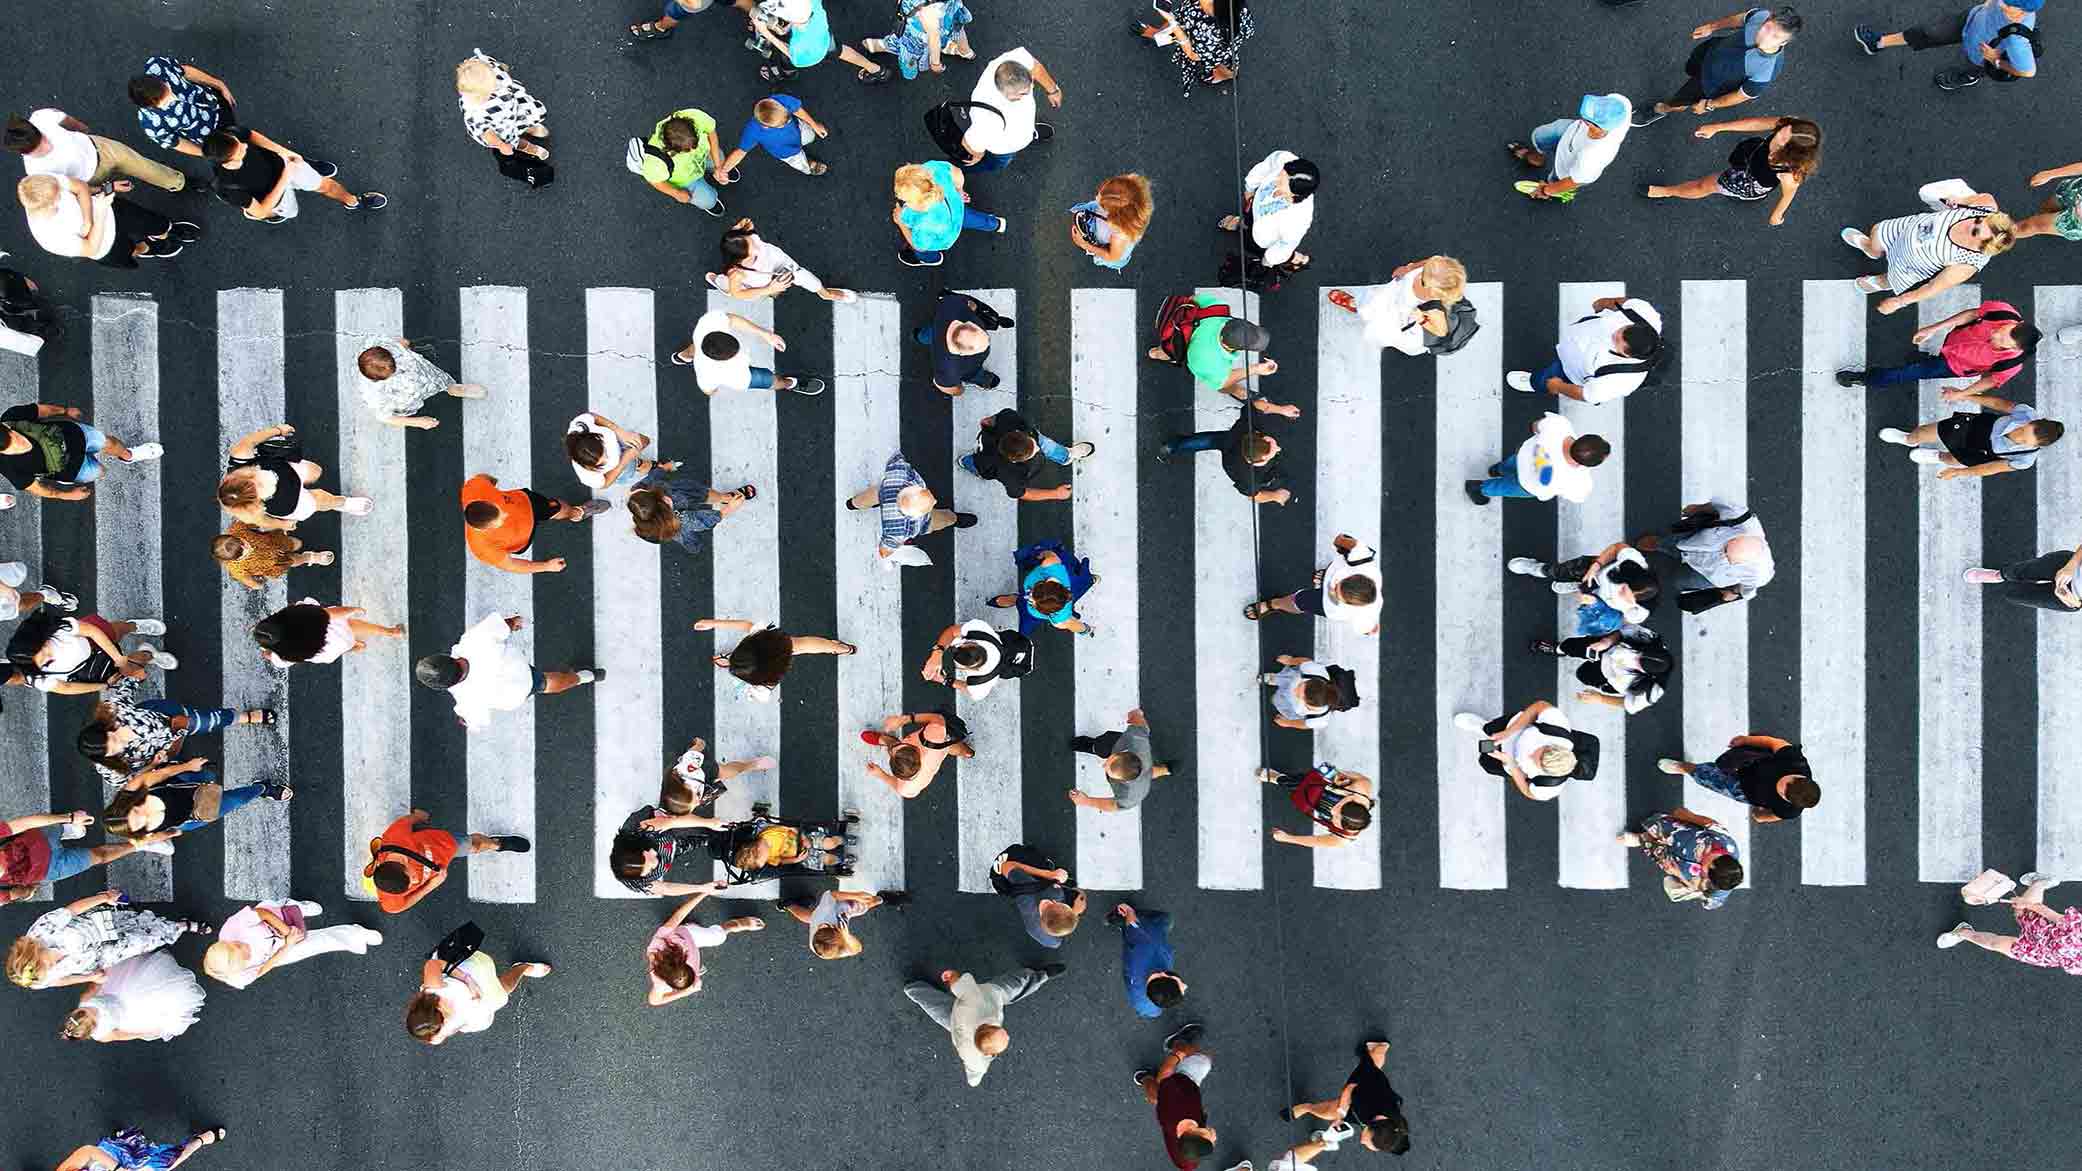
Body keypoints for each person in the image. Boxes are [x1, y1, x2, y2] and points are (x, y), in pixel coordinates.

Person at [415, 613, 601, 729]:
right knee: (544, 679)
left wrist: (465, 721)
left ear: (446, 685)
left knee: (544, 684)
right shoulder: (471, 641)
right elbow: (503, 625)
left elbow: (476, 721)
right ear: (448, 657)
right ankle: (581, 675)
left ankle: (584, 678)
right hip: (516, 664)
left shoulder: (466, 700)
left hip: (517, 691)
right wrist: (516, 622)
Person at [1839, 192, 2014, 315]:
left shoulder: (1967, 264)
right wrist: (1961, 199)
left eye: (1975, 232)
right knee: (1877, 231)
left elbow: (1933, 287)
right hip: (1907, 228)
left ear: (1981, 246)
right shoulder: (1986, 208)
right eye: (1977, 220)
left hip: (1911, 265)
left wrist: (1899, 302)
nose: (1969, 224)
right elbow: (1983, 197)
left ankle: (1880, 282)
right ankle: (1871, 249)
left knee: (1891, 279)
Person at [75, 675, 271, 783]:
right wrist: (152, 765)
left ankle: (243, 717)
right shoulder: (109, 771)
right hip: (166, 753)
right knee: (197, 775)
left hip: (172, 719)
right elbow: (134, 781)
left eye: (112, 738)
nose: (118, 744)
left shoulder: (113, 712)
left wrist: (139, 667)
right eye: (111, 750)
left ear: (104, 728)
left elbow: (127, 685)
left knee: (207, 720)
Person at [903, 963, 1064, 1086]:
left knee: (935, 1005)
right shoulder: (972, 1054)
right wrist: (973, 1080)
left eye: (1003, 1033)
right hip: (963, 1019)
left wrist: (953, 977)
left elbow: (959, 985)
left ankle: (914, 989)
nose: (1008, 1035)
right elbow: (973, 1070)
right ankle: (1038, 976)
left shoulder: (974, 1001)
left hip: (975, 1005)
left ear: (988, 1026)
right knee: (937, 1008)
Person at [1634, 6, 1801, 125]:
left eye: (1775, 36)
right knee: (1690, 69)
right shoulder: (1761, 15)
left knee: (1680, 100)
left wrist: (1709, 105)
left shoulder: (1767, 71)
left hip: (1709, 84)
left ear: (1784, 42)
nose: (1765, 37)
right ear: (1767, 19)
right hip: (1709, 52)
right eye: (1767, 28)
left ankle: (1662, 109)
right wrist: (1712, 27)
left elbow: (1740, 96)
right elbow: (1741, 18)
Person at [1645, 116, 1820, 225]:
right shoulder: (1788, 125)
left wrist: (1777, 215)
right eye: (1784, 130)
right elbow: (1756, 123)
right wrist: (1717, 127)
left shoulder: (1790, 174)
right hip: (1750, 156)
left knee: (1703, 186)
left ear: (1792, 152)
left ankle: (1667, 192)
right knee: (1734, 163)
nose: (1779, 133)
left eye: (1784, 138)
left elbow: (1788, 195)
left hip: (1748, 181)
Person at [7, 890, 199, 989]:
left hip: (100, 926)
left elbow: (71, 910)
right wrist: (89, 977)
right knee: (145, 941)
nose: (50, 969)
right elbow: (58, 981)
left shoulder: (42, 931)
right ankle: (179, 926)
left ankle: (167, 924)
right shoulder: (37, 980)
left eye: (45, 965)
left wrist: (105, 898)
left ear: (35, 953)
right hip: (106, 954)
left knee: (135, 922)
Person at [1837, 299, 2038, 390]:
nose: (1995, 333)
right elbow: (1973, 314)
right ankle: (1928, 359)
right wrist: (1934, 328)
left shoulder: (2012, 365)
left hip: (1954, 366)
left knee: (1904, 374)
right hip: (1953, 342)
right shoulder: (2003, 312)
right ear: (2016, 323)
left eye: (2001, 340)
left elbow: (1991, 380)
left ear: (2015, 349)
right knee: (1924, 363)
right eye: (2001, 330)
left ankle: (1867, 379)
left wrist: (1963, 395)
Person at [1506, 296, 1665, 406]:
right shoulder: (1645, 314)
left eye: (1617, 340)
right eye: (1623, 329)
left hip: (1569, 369)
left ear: (1627, 355)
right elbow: (1627, 303)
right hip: (1583, 333)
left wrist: (1558, 386)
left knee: (1547, 378)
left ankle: (1534, 382)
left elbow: (1587, 395)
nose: (1614, 333)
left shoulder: (1621, 380)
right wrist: (1603, 303)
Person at [363, 810, 530, 914]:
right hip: (437, 858)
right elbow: (401, 905)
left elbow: (406, 821)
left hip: (443, 844)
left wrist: (417, 816)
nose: (415, 881)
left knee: (474, 844)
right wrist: (431, 885)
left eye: (411, 878)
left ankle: (496, 844)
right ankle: (494, 844)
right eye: (411, 884)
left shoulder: (396, 838)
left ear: (404, 865)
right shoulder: (390, 896)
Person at [203, 126, 384, 222]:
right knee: (285, 213)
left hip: (285, 164)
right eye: (240, 150)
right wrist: (285, 176)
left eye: (239, 142)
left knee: (325, 184)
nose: (244, 146)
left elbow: (251, 136)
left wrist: (286, 153)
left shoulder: (230, 135)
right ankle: (269, 216)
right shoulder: (226, 187)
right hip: (275, 197)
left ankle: (353, 201)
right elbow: (262, 210)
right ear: (227, 162)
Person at [1854, 0, 2042, 91]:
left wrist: (1996, 61)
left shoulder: (2018, 39)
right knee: (1929, 32)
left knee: (1971, 68)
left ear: (2021, 10)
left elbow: (2027, 71)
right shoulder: (2012, 3)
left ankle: (1968, 77)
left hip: (1980, 53)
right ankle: (1878, 43)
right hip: (1969, 21)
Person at [1877, 388, 2062, 480]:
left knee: (1951, 459)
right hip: (1974, 427)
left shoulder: (2025, 460)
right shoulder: (2026, 414)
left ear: (2035, 446)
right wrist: (1964, 396)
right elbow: (1998, 404)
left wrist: (1959, 472)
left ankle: (1936, 455)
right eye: (2023, 428)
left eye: (2023, 438)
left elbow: (1991, 468)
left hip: (1980, 451)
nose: (2018, 432)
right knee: (1924, 432)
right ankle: (1908, 439)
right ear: (2032, 422)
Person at [0, 811, 177, 906]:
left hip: (38, 847)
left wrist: (70, 817)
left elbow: (21, 824)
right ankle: (142, 844)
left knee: (97, 855)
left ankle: (68, 828)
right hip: (49, 865)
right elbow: (11, 894)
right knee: (99, 856)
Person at [15, 175, 195, 267]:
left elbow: (79, 187)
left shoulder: (43, 182)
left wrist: (88, 220)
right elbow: (91, 248)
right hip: (105, 244)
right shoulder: (47, 236)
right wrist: (98, 214)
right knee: (130, 250)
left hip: (110, 210)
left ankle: (166, 231)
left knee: (152, 221)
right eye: (58, 195)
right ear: (47, 205)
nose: (62, 192)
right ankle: (149, 248)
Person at [405, 931, 550, 1045]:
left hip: (473, 975)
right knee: (504, 989)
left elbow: (433, 964)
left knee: (501, 987)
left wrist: (467, 980)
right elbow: (450, 1030)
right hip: (483, 1004)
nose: (444, 1011)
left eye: (439, 1009)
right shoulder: (436, 1035)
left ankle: (523, 968)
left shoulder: (433, 988)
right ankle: (522, 968)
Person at [218, 422, 372, 529]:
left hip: (284, 469)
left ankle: (315, 491)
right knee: (321, 499)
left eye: (257, 482)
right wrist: (282, 524)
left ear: (243, 475)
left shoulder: (239, 457)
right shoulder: (246, 512)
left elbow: (250, 441)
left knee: (315, 471)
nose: (263, 485)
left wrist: (278, 430)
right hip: (288, 502)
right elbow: (262, 520)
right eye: (260, 490)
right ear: (254, 503)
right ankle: (341, 503)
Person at [1156, 301, 1297, 417]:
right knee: (1223, 385)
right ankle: (1163, 352)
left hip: (1184, 329)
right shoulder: (1211, 362)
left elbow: (1195, 299)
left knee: (1168, 349)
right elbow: (1222, 383)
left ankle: (1159, 351)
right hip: (1191, 355)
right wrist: (1256, 369)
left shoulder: (1220, 310)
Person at [201, 900, 383, 989]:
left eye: (239, 946)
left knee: (287, 909)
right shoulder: (238, 978)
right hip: (277, 950)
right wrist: (287, 946)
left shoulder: (232, 928)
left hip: (275, 919)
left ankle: (298, 907)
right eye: (244, 958)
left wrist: (287, 931)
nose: (246, 951)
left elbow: (262, 913)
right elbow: (263, 968)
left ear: (229, 942)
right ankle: (357, 935)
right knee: (319, 943)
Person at [2, 401, 163, 502]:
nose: (17, 441)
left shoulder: (11, 416)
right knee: (100, 471)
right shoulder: (7, 467)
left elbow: (41, 410)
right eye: (10, 445)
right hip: (70, 469)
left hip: (74, 434)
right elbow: (38, 489)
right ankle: (63, 477)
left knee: (109, 442)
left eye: (11, 433)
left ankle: (129, 456)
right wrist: (67, 495)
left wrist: (64, 411)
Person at [102, 756, 289, 841]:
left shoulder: (132, 789)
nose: (143, 817)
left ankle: (196, 770)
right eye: (138, 824)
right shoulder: (140, 837)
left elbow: (162, 774)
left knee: (209, 775)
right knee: (236, 801)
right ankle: (262, 787)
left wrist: (188, 767)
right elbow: (154, 837)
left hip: (187, 785)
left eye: (136, 811)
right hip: (192, 815)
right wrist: (171, 834)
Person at [1281, 1039, 1413, 1156]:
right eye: (1367, 1141)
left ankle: (1378, 1049)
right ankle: (1306, 1108)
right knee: (1371, 1065)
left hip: (1368, 1100)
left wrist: (1341, 1114)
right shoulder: (1373, 1102)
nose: (1362, 1142)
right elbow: (1350, 1089)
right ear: (1376, 1123)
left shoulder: (1389, 1130)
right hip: (1363, 1084)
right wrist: (1341, 1112)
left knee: (1375, 1068)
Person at [1637, 501, 1776, 611]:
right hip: (1693, 543)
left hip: (1709, 575)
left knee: (1679, 581)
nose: (1723, 554)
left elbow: (1748, 591)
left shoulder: (1761, 574)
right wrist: (1699, 508)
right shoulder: (1741, 518)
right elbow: (1719, 505)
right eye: (1726, 548)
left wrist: (1733, 593)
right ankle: (1659, 544)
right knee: (1670, 543)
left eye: (1728, 558)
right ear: (1739, 537)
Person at [6, 108, 185, 192]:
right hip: (91, 180)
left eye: (41, 136)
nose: (47, 143)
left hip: (102, 149)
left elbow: (69, 121)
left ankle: (177, 182)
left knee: (147, 167)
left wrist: (83, 131)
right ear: (26, 153)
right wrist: (108, 188)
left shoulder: (41, 117)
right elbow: (77, 191)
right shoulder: (37, 173)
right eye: (39, 147)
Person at [1450, 702, 1601, 801]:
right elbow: (1538, 707)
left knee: (1485, 760)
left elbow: (1529, 792)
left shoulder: (1550, 787)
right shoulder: (1559, 730)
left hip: (1509, 763)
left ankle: (1487, 738)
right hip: (1513, 730)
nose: (1530, 755)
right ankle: (1482, 726)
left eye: (1538, 763)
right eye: (1539, 751)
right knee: (1491, 730)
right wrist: (1508, 732)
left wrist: (1511, 765)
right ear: (1553, 746)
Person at [460, 472, 605, 575]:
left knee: (559, 508)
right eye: (500, 521)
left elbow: (485, 479)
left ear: (485, 501)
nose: (506, 514)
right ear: (485, 529)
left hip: (528, 502)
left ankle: (576, 513)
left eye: (500, 510)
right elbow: (512, 566)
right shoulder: (481, 547)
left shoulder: (474, 488)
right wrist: (547, 566)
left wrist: (494, 482)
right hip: (523, 537)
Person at [644, 885, 764, 1006]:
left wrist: (704, 892)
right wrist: (686, 992)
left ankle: (733, 925)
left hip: (688, 935)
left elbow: (680, 915)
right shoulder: (660, 983)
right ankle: (705, 926)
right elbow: (654, 1001)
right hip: (690, 943)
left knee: (718, 937)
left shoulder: (660, 941)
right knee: (717, 939)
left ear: (682, 961)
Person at [1659, 734, 1819, 824]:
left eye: (1784, 793)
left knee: (1706, 776)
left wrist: (1759, 816)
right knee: (1719, 765)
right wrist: (1746, 740)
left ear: (1789, 801)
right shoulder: (1795, 761)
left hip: (1741, 789)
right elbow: (1774, 742)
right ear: (1799, 776)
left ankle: (1684, 767)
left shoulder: (1790, 811)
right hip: (1750, 762)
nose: (1781, 786)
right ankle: (1689, 768)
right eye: (1788, 781)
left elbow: (1768, 817)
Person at [1327, 255, 1469, 356]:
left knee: (1384, 328)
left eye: (1424, 280)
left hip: (1403, 316)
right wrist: (1410, 268)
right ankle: (1359, 305)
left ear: (1435, 293)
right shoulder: (1434, 269)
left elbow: (1441, 331)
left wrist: (1422, 319)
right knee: (1373, 302)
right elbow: (1429, 262)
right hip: (1394, 294)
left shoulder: (1436, 308)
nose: (1420, 276)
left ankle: (1359, 307)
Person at [846, 450, 975, 561]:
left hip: (885, 491)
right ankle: (954, 519)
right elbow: (884, 551)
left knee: (868, 497)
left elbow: (896, 459)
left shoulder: (899, 474)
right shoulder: (899, 529)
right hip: (911, 518)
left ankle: (853, 504)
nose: (934, 500)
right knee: (946, 518)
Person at [8, 611, 175, 695]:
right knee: (130, 667)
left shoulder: (56, 628)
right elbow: (66, 687)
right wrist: (104, 685)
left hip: (92, 640)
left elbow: (92, 631)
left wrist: (117, 657)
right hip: (93, 667)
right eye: (45, 662)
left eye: (44, 649)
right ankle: (149, 654)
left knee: (117, 630)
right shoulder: (37, 678)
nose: (50, 656)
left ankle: (134, 626)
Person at [1938, 872, 2082, 968]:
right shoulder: (2078, 929)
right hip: (2049, 929)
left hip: (2043, 953)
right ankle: (2040, 882)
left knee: (1995, 944)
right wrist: (2026, 904)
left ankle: (1963, 932)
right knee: (2022, 911)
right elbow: (2052, 915)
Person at [1244, 533, 1381, 634]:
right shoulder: (1363, 561)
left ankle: (1274, 604)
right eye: (1337, 585)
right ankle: (1325, 577)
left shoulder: (1366, 615)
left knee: (1298, 600)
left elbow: (1371, 630)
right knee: (1329, 577)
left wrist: (1370, 628)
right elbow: (1342, 540)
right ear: (1354, 575)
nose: (1331, 590)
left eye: (1336, 594)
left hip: (1326, 605)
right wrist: (1340, 543)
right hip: (1334, 574)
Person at [1508, 93, 1632, 203]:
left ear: (1594, 125)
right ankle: (1538, 157)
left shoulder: (1592, 157)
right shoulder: (1620, 103)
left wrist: (1546, 190)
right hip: (1571, 130)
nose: (1582, 118)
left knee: (1555, 179)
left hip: (1568, 166)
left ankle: (1553, 187)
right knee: (1540, 136)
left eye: (1587, 120)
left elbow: (1573, 181)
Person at [1464, 412, 1608, 505]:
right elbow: (1578, 497)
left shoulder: (1559, 425)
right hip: (1527, 485)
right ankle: (1478, 488)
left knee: (1509, 465)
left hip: (1524, 456)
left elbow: (1535, 426)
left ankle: (1497, 469)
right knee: (1502, 487)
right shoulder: (1579, 482)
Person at [61, 949, 205, 1043]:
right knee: (165, 999)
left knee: (150, 975)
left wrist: (104, 972)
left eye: (85, 1012)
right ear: (93, 1029)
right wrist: (141, 1033)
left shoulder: (85, 1001)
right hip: (134, 1011)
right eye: (93, 1018)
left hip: (121, 988)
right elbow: (120, 1035)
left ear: (76, 1011)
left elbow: (95, 986)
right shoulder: (102, 1035)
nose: (92, 1011)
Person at [696, 616, 853, 701]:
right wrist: (713, 623)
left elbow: (762, 696)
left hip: (775, 662)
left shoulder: (764, 684)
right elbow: (746, 625)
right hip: (778, 645)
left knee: (803, 645)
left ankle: (839, 648)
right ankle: (840, 648)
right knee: (803, 644)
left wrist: (752, 692)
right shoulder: (759, 639)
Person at [673, 308, 825, 395]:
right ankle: (789, 383)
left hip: (701, 347)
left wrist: (766, 334)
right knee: (772, 381)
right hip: (742, 377)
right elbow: (708, 390)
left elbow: (731, 319)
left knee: (697, 346)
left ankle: (684, 356)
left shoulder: (708, 324)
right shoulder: (710, 372)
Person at [1529, 624, 1673, 714]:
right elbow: (1624, 632)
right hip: (1606, 649)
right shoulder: (1649, 637)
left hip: (1607, 678)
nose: (1632, 658)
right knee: (1572, 645)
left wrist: (1600, 698)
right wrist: (1607, 641)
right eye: (1638, 654)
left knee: (1583, 674)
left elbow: (1629, 705)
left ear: (1647, 675)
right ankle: (1558, 649)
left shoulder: (1654, 691)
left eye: (1638, 664)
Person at [707, 218, 857, 304]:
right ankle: (721, 282)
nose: (759, 249)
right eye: (752, 253)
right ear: (739, 259)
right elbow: (738, 294)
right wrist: (769, 289)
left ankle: (824, 293)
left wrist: (741, 227)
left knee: (801, 274)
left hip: (778, 261)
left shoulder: (741, 238)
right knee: (732, 288)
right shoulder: (737, 274)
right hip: (761, 282)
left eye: (753, 242)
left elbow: (747, 226)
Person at [958, 47, 1062, 171]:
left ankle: (1029, 134)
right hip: (1004, 148)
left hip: (1021, 128)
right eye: (1023, 93)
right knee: (997, 163)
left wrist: (1053, 90)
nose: (1029, 92)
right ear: (1007, 93)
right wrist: (978, 155)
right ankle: (964, 170)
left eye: (1030, 86)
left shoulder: (1013, 62)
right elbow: (969, 142)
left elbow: (1036, 67)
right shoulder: (987, 119)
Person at [1159, 412, 1294, 507]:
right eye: (1273, 448)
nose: (1277, 447)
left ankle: (1171, 446)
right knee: (1209, 441)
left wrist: (1282, 409)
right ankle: (1173, 446)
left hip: (1230, 442)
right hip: (1232, 458)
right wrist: (1276, 496)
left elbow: (1255, 406)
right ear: (1263, 459)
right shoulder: (1249, 479)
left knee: (1208, 440)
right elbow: (1255, 496)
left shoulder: (1247, 426)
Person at [1508, 540, 1661, 623]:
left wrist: (1595, 605)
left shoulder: (1640, 612)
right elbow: (1617, 547)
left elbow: (1622, 621)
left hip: (1598, 597)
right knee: (1558, 571)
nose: (1621, 594)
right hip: (1594, 571)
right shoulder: (1634, 563)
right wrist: (1596, 566)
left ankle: (1577, 587)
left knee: (1583, 591)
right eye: (1624, 589)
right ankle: (1540, 569)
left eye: (1627, 597)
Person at [1221, 150, 1317, 280]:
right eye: (1280, 175)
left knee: (1253, 245)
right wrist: (1249, 189)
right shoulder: (1284, 159)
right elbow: (1266, 166)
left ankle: (1296, 258)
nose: (1276, 180)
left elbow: (1282, 248)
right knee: (1247, 222)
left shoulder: (1297, 221)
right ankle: (1241, 223)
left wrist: (1267, 262)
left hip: (1263, 237)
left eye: (1282, 182)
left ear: (1295, 194)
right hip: (1254, 208)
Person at [1621, 808, 1744, 909]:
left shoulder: (1716, 886)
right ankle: (1651, 833)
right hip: (1681, 834)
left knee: (1661, 855)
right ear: (1713, 865)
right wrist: (1687, 816)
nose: (1704, 874)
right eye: (1706, 872)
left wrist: (1678, 874)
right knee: (1662, 827)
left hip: (1678, 863)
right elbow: (1708, 823)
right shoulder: (1725, 841)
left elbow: (1699, 889)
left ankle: (1641, 839)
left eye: (1707, 877)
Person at [893, 160, 1006, 269]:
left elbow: (920, 246)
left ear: (919, 204)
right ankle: (996, 224)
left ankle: (932, 259)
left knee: (923, 252)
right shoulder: (932, 168)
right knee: (970, 218)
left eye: (906, 200)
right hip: (956, 209)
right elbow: (957, 173)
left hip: (945, 238)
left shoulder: (925, 223)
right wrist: (959, 190)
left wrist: (900, 223)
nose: (902, 200)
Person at [961, 409, 1092, 502]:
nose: (1037, 448)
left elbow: (986, 422)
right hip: (990, 463)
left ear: (1017, 433)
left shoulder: (1007, 418)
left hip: (986, 452)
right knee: (980, 467)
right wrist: (1056, 494)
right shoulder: (1011, 475)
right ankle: (969, 464)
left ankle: (1066, 456)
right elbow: (1022, 493)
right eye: (1034, 451)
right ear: (1014, 460)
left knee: (978, 463)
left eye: (1033, 443)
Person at [747, 0, 892, 84]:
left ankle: (784, 73)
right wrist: (786, 28)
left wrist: (767, 34)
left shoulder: (799, 45)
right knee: (840, 50)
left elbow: (791, 53)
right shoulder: (811, 4)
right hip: (822, 35)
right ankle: (876, 69)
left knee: (787, 61)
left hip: (809, 54)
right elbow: (800, 17)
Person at [353, 338, 485, 429]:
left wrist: (405, 345)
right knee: (417, 395)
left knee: (437, 378)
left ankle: (452, 388)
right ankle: (449, 388)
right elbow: (384, 417)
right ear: (377, 379)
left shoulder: (379, 346)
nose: (397, 368)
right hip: (409, 395)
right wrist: (418, 422)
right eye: (392, 371)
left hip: (425, 373)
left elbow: (400, 342)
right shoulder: (375, 395)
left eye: (392, 362)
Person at [1135, 1022, 1217, 1168]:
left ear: (1193, 1132)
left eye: (1209, 1137)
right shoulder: (1188, 1160)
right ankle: (1144, 1078)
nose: (1214, 1136)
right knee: (1158, 1097)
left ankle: (1175, 1043)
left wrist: (1179, 1054)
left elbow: (1165, 1076)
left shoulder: (1174, 1111)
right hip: (1184, 1092)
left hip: (1180, 1081)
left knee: (1204, 1060)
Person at [1135, 0, 1257, 97]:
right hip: (1203, 26)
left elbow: (1193, 54)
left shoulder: (1212, 33)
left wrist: (1171, 21)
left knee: (1221, 59)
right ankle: (1158, 34)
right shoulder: (1221, 6)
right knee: (1180, 21)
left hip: (1214, 43)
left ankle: (1229, 74)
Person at [627, 466, 752, 554]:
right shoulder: (681, 520)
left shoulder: (638, 493)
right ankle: (727, 499)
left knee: (702, 494)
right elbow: (703, 521)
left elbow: (650, 479)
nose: (666, 498)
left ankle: (724, 497)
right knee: (686, 536)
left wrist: (663, 469)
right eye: (665, 503)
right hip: (683, 497)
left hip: (683, 493)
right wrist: (730, 508)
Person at [128, 55, 236, 157]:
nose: (172, 97)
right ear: (150, 106)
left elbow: (185, 72)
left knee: (240, 133)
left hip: (215, 103)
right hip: (211, 138)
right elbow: (178, 143)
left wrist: (219, 84)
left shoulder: (158, 66)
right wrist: (212, 153)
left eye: (166, 88)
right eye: (165, 101)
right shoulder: (150, 123)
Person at [456, 51, 549, 166]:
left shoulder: (485, 69)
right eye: (490, 91)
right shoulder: (475, 114)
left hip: (511, 107)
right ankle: (526, 146)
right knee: (510, 139)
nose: (495, 87)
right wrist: (502, 146)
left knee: (522, 118)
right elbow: (488, 135)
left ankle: (527, 128)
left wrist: (502, 69)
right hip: (500, 126)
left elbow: (496, 66)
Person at [253, 598, 404, 668]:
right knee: (350, 626)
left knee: (340, 645)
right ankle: (392, 632)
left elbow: (276, 660)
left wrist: (270, 654)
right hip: (335, 632)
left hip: (328, 653)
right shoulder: (298, 614)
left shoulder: (283, 656)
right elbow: (331, 613)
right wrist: (353, 610)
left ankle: (356, 646)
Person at [1068, 708, 1170, 812]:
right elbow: (1140, 722)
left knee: (1149, 771)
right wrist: (1135, 714)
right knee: (1103, 746)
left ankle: (1165, 769)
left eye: (1108, 771)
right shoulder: (1136, 738)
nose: (1103, 766)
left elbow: (1113, 805)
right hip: (1142, 765)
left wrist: (1086, 801)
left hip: (1142, 774)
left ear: (1123, 781)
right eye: (1108, 762)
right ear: (1122, 753)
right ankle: (1166, 769)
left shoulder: (1129, 796)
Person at [990, 540, 1098, 636]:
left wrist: (1087, 629)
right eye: (1034, 591)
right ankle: (1090, 579)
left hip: (1031, 615)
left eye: (1033, 600)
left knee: (1022, 621)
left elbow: (1073, 624)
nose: (1030, 596)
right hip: (1038, 609)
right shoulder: (1051, 565)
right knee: (1081, 582)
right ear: (1046, 583)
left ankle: (1015, 599)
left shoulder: (1062, 617)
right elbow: (1049, 554)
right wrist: (1040, 555)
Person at [989, 844, 1085, 948]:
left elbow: (1005, 866)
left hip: (1011, 876)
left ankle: (1045, 866)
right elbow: (1056, 943)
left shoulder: (1052, 894)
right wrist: (1074, 911)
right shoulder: (1037, 932)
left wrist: (1050, 874)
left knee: (1032, 859)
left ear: (1055, 902)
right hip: (1023, 891)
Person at [634, 108, 727, 214]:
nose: (694, 150)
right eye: (687, 150)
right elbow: (655, 181)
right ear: (670, 149)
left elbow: (711, 133)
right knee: (708, 200)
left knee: (722, 160)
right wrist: (676, 193)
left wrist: (718, 165)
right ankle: (711, 201)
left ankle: (718, 168)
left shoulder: (695, 116)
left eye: (695, 143)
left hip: (704, 155)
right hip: (687, 179)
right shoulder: (655, 162)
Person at [1259, 765, 1376, 850]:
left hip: (1318, 805)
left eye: (1334, 818)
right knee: (1300, 782)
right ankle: (1278, 778)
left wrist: (1286, 838)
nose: (1333, 811)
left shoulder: (1342, 839)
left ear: (1342, 827)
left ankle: (1285, 780)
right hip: (1327, 787)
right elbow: (1336, 772)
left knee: (1301, 796)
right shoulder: (1362, 786)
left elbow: (1314, 841)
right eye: (1339, 808)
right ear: (1350, 801)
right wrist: (1337, 775)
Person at [862, 710, 973, 798]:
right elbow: (938, 718)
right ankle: (968, 753)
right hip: (938, 745)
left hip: (936, 755)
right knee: (951, 746)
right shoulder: (932, 736)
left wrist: (880, 774)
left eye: (892, 751)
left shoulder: (906, 788)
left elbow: (896, 785)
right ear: (917, 750)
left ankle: (886, 740)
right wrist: (904, 720)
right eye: (899, 746)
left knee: (947, 747)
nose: (891, 750)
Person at [919, 289, 1010, 396]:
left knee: (930, 334)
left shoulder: (952, 304)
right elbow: (953, 390)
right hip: (967, 367)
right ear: (962, 353)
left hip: (938, 328)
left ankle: (921, 336)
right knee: (971, 372)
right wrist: (960, 389)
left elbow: (970, 304)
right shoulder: (949, 370)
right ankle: (978, 377)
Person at [716, 96, 830, 180]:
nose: (787, 122)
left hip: (798, 131)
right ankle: (808, 165)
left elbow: (797, 110)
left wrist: (814, 125)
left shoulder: (779, 101)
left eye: (787, 119)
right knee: (799, 162)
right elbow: (740, 152)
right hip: (786, 152)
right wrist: (723, 170)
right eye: (782, 124)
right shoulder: (753, 131)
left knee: (811, 135)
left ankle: (808, 143)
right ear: (765, 126)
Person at [921, 618, 1034, 699]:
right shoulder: (980, 628)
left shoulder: (983, 683)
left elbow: (969, 690)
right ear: (974, 644)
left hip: (1014, 653)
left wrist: (944, 679)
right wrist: (937, 653)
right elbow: (951, 631)